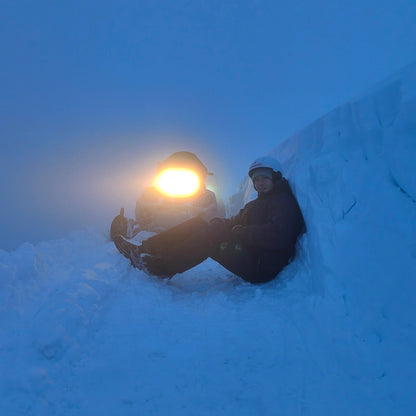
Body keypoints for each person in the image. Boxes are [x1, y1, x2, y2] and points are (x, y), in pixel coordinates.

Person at [114, 156, 305, 284]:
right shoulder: (258, 203)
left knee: (212, 236)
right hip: (251, 254)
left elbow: (278, 235)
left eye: (264, 178)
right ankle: (145, 248)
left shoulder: (282, 202)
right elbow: (237, 219)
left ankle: (162, 267)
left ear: (275, 177)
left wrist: (240, 232)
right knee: (202, 223)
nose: (260, 183)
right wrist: (221, 223)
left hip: (261, 266)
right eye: (256, 180)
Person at [110, 151, 220, 240]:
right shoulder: (151, 193)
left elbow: (212, 218)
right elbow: (142, 211)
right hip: (152, 231)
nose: (178, 181)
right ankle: (133, 229)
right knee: (148, 196)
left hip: (194, 237)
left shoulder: (206, 196)